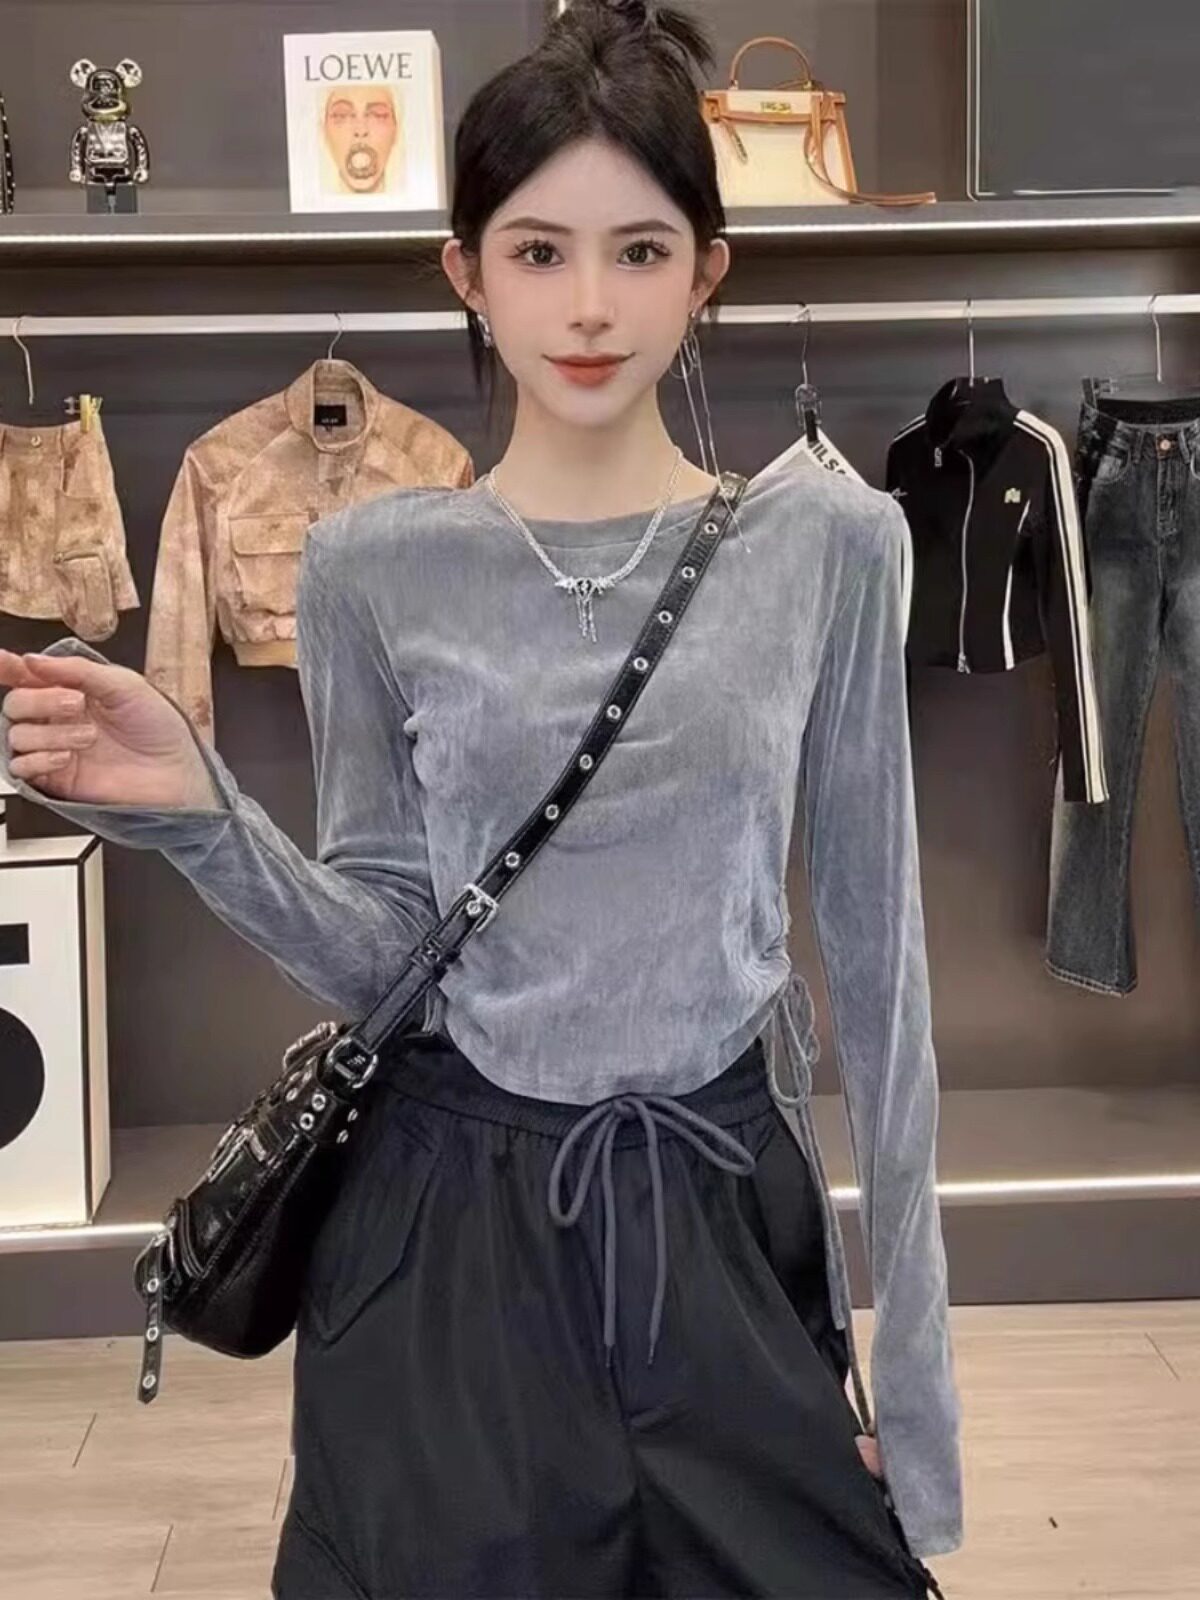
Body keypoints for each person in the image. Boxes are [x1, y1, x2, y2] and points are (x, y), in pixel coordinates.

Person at [0, 3, 961, 1595]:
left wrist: (916, 1403)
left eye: (641, 251)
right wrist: (198, 812)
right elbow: (390, 946)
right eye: (537, 251)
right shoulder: (372, 566)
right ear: (466, 271)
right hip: (451, 1231)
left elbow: (884, 982)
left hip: (720, 1210)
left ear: (709, 272)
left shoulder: (830, 545)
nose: (589, 305)